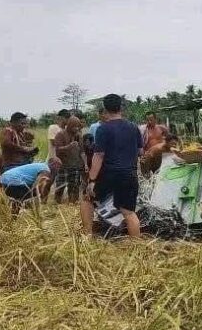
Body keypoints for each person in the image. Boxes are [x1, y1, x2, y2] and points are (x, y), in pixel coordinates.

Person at [85, 94, 143, 238]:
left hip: (109, 175)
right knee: (129, 213)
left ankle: (87, 236)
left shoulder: (103, 129)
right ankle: (138, 246)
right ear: (121, 107)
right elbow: (140, 152)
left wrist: (91, 180)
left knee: (87, 198)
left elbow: (99, 156)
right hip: (129, 174)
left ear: (105, 109)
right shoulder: (133, 127)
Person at [52, 115, 85, 203]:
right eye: (74, 126)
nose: (76, 128)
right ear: (69, 125)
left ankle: (73, 204)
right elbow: (57, 149)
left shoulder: (79, 136)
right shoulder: (61, 134)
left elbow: (82, 151)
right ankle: (57, 204)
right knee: (60, 187)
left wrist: (85, 164)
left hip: (75, 165)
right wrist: (68, 147)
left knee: (74, 187)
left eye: (78, 126)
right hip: (63, 165)